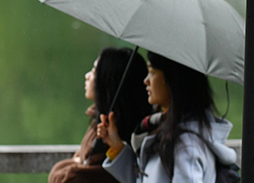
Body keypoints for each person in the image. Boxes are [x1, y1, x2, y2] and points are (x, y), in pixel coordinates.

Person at [96, 52, 237, 183]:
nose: (146, 81)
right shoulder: (166, 128)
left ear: (172, 80)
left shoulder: (186, 145)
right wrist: (117, 147)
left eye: (151, 72)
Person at [48, 47, 150, 183]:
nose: (87, 76)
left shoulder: (117, 132)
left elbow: (74, 177)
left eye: (95, 71)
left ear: (107, 82)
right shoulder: (99, 121)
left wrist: (73, 166)